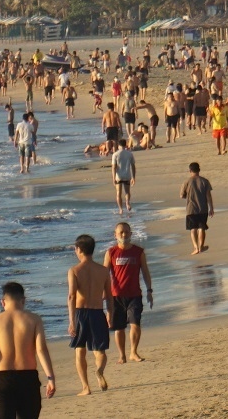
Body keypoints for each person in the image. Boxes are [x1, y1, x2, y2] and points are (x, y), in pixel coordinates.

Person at [0, 282, 56, 418]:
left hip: (3, 379)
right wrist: (50, 378)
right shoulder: (34, 319)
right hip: (28, 378)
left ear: (3, 302)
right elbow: (41, 350)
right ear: (23, 300)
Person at [68, 234, 113, 396]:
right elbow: (109, 295)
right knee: (99, 351)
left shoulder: (74, 270)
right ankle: (99, 370)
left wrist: (72, 321)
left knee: (80, 351)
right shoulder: (103, 271)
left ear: (79, 250)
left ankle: (86, 387)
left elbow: (72, 296)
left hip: (81, 313)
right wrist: (110, 314)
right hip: (97, 312)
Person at [102, 223, 153, 364]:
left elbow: (145, 272)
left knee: (135, 323)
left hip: (135, 295)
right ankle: (122, 355)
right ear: (115, 235)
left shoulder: (138, 252)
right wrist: (103, 293)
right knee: (119, 328)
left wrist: (149, 290)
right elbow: (104, 275)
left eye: (126, 232)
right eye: (121, 232)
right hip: (116, 296)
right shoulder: (111, 253)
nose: (124, 235)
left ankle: (133, 352)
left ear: (131, 234)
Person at [180, 162, 214, 255]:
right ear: (199, 170)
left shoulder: (186, 181)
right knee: (202, 227)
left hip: (191, 209)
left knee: (193, 228)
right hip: (203, 208)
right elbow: (208, 196)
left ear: (190, 170)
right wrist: (211, 208)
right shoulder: (205, 181)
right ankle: (201, 246)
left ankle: (195, 247)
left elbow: (182, 195)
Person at [111, 139, 136, 215]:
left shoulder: (115, 154)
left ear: (118, 145)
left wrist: (113, 178)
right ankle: (127, 204)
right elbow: (133, 166)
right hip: (127, 175)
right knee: (127, 192)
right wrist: (133, 177)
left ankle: (120, 209)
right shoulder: (129, 154)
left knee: (118, 193)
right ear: (125, 145)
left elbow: (114, 167)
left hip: (118, 176)